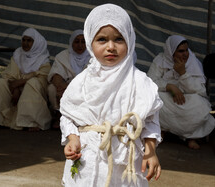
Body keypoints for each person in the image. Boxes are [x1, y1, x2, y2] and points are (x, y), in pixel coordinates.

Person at [60, 4, 163, 187]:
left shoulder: (140, 82)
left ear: (130, 41)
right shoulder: (82, 82)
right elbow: (68, 116)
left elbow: (151, 121)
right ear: (90, 42)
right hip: (88, 159)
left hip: (126, 162)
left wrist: (150, 151)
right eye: (101, 39)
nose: (111, 47)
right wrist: (73, 139)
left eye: (119, 39)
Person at [147, 35, 215, 149]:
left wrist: (183, 74)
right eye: (180, 51)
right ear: (171, 52)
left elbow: (200, 90)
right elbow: (149, 83)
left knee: (201, 105)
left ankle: (191, 137)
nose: (185, 54)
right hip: (168, 97)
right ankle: (161, 131)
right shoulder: (160, 60)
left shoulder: (193, 62)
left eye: (186, 50)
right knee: (154, 99)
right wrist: (170, 86)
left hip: (186, 100)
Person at [0, 28, 52, 131]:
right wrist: (16, 88)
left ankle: (30, 121)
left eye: (29, 40)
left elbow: (42, 78)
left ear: (36, 43)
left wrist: (21, 82)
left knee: (33, 82)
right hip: (17, 88)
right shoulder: (18, 55)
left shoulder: (43, 59)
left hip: (34, 91)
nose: (25, 43)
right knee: (1, 83)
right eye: (24, 40)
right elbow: (9, 75)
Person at [47, 29, 90, 128]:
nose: (80, 45)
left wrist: (71, 87)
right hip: (64, 86)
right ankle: (59, 115)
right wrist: (61, 87)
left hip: (84, 87)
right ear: (71, 42)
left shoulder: (92, 57)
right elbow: (55, 75)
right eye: (77, 41)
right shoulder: (62, 56)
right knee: (52, 89)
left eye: (83, 42)